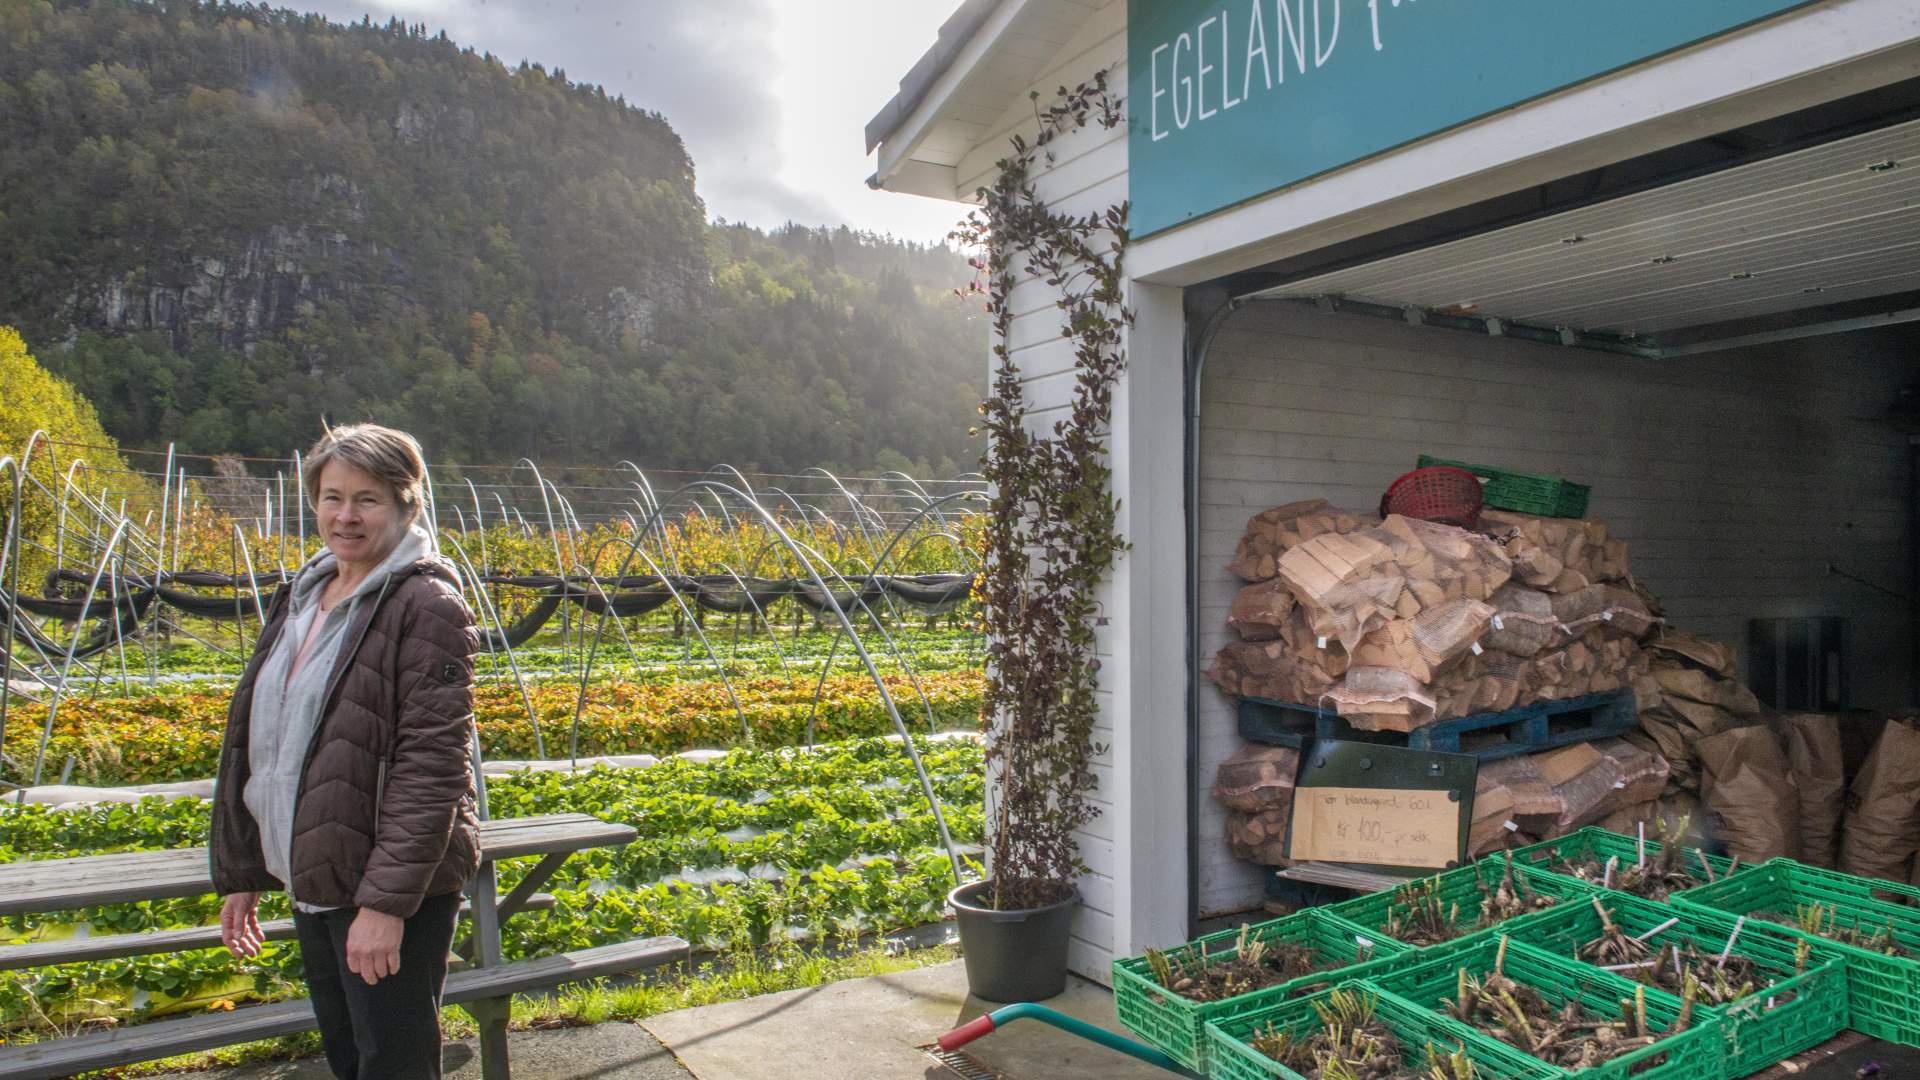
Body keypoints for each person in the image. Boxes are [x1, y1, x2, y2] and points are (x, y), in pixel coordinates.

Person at [211, 423, 481, 1080]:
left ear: (405, 504)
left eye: (368, 499)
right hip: (318, 876)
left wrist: (386, 906)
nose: (346, 516)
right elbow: (261, 739)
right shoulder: (304, 595)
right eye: (332, 497)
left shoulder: (426, 605)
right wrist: (247, 866)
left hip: (385, 888)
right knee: (350, 1058)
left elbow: (432, 766)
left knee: (393, 1062)